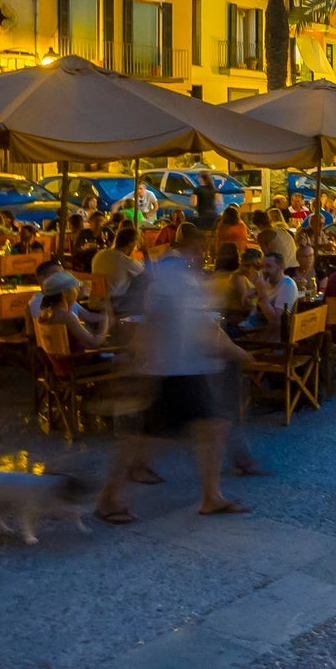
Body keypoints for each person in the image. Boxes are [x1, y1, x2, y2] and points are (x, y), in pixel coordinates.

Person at [93, 223, 259, 526]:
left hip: (186, 368)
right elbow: (154, 323)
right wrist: (140, 366)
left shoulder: (185, 277)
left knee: (211, 427)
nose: (203, 253)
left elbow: (195, 324)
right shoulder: (169, 278)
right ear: (191, 246)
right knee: (143, 439)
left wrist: (219, 349)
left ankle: (211, 496)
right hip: (171, 370)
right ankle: (109, 497)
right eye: (200, 246)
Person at [94, 226, 146, 304]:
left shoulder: (100, 254)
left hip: (95, 301)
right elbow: (149, 276)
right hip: (114, 303)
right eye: (137, 244)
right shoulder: (126, 261)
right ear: (131, 244)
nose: (137, 248)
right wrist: (146, 252)